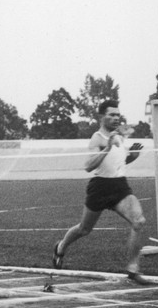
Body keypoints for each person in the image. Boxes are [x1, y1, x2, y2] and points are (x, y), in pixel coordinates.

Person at [52, 100, 148, 283]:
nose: (115, 118)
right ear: (102, 117)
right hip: (100, 187)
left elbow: (118, 163)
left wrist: (132, 157)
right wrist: (108, 147)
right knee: (84, 229)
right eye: (111, 115)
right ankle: (61, 247)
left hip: (120, 186)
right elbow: (89, 166)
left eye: (117, 115)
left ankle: (133, 268)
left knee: (138, 221)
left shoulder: (120, 137)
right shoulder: (97, 138)